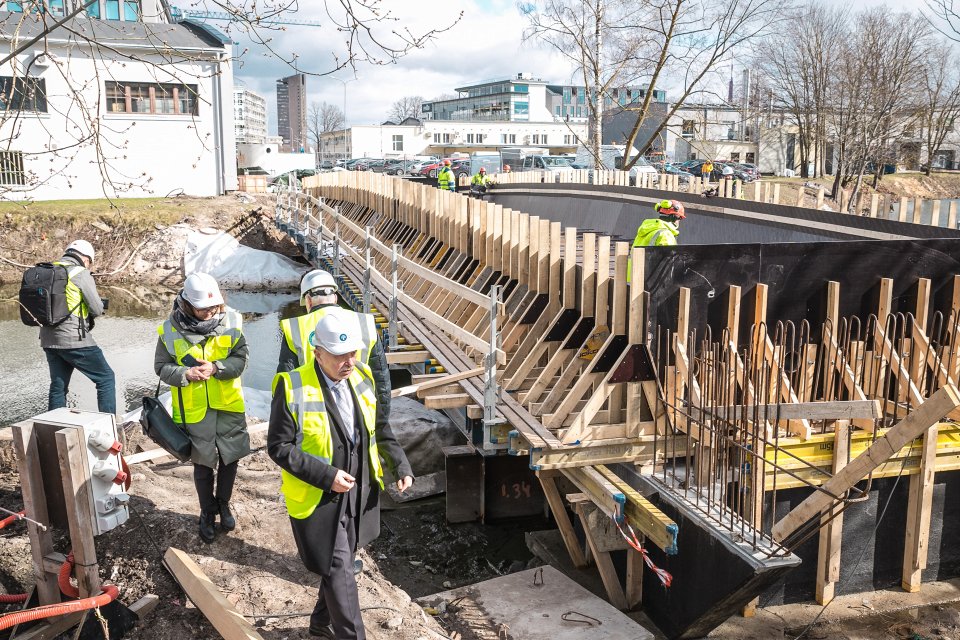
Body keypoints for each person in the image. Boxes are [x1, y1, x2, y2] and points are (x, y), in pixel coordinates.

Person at [268, 308, 414, 640]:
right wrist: (326, 475)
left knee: (340, 567)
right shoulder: (291, 387)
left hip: (357, 492)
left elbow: (377, 428)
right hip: (318, 499)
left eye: (352, 353)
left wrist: (399, 464)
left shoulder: (361, 377)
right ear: (317, 352)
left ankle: (321, 625)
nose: (348, 361)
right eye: (339, 355)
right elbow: (278, 446)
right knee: (339, 570)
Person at [155, 272, 249, 544]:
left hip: (228, 405)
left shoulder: (232, 321)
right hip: (195, 411)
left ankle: (224, 504)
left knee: (230, 458)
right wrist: (186, 374)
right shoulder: (169, 330)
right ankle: (207, 512)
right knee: (203, 464)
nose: (210, 313)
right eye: (203, 309)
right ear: (186, 305)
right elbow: (161, 367)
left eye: (214, 308)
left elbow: (240, 360)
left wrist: (218, 367)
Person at [278, 269, 392, 444]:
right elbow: (381, 381)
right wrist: (380, 423)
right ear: (336, 297)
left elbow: (285, 382)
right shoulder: (365, 323)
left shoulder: (295, 327)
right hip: (360, 414)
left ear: (308, 300)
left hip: (314, 418)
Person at [42, 240, 116, 415]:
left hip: (48, 339)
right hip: (74, 340)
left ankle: (54, 428)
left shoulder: (49, 270)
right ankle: (109, 423)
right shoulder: (80, 273)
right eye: (90, 262)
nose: (89, 266)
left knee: (58, 386)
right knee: (105, 378)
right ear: (85, 258)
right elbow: (97, 308)